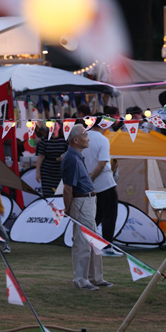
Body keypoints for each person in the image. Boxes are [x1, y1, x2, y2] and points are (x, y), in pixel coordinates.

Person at [61, 124, 112, 291]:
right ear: (76, 140)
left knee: (93, 241)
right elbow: (67, 188)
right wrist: (68, 208)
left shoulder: (76, 157)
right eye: (85, 135)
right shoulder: (71, 159)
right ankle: (81, 279)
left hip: (87, 201)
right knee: (83, 242)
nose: (88, 137)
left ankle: (95, 278)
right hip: (82, 202)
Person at [82, 117, 121, 257]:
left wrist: (86, 180)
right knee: (109, 214)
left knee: (96, 214)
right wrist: (91, 179)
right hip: (104, 183)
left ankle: (83, 240)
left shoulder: (83, 137)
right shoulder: (102, 139)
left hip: (88, 183)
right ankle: (107, 246)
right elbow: (102, 163)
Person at [35, 122, 67, 197]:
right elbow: (40, 156)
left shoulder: (64, 140)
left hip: (60, 171)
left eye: (55, 125)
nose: (53, 127)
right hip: (47, 171)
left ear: (59, 126)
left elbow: (69, 153)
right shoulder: (44, 140)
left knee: (60, 193)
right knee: (48, 194)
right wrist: (37, 172)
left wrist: (63, 158)